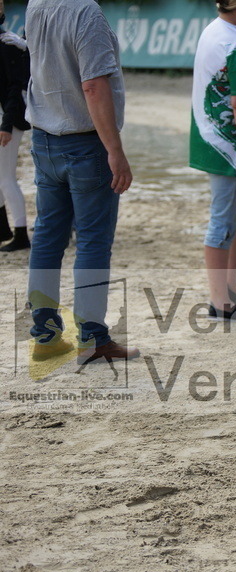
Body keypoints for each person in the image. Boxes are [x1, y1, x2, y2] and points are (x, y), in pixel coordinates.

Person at [23, 0, 138, 364]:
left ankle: (45, 335)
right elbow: (92, 85)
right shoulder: (85, 11)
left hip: (44, 136)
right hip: (84, 141)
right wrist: (114, 149)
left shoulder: (36, 3)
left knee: (47, 237)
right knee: (92, 242)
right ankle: (92, 338)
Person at [190, 0, 236, 321]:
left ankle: (230, 290)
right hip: (227, 143)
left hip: (208, 134)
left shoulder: (214, 30)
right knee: (223, 220)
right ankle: (220, 301)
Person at [0, 4, 30, 253]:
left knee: (6, 177)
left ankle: (21, 234)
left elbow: (14, 87)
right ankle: (3, 229)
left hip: (6, 119)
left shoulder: (8, 44)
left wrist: (7, 124)